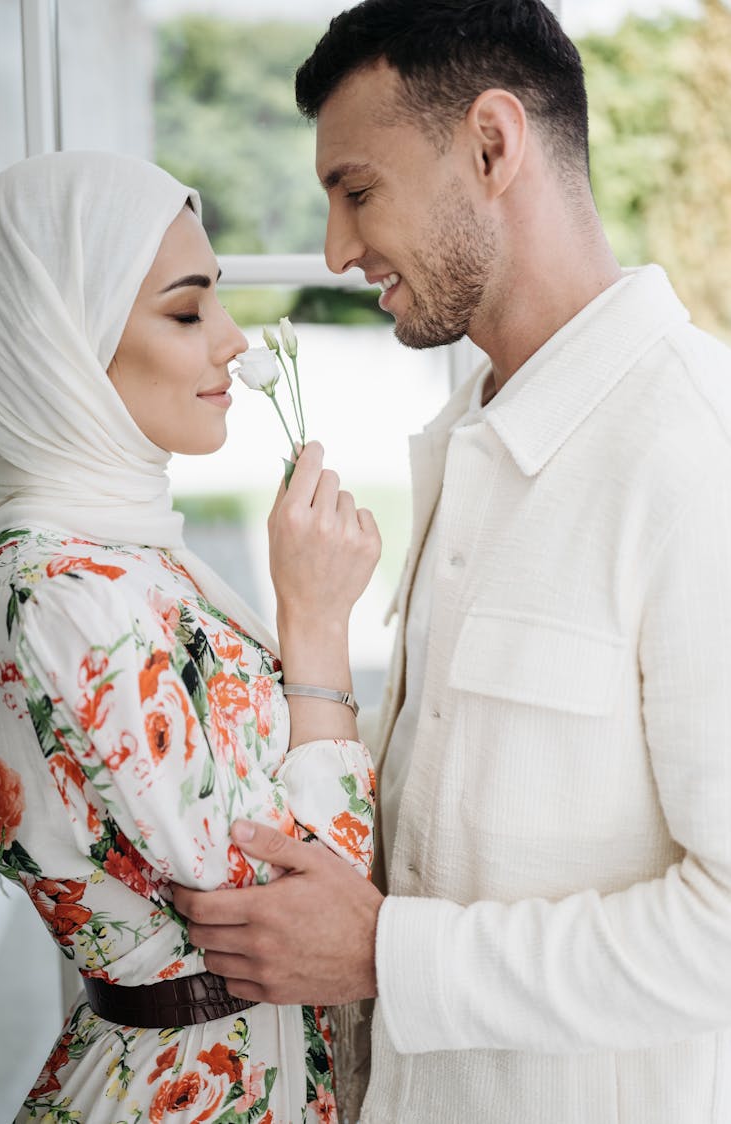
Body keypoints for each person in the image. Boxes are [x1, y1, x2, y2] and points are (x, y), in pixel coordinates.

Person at [171, 1, 731, 1123]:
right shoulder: (471, 436)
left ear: (491, 144)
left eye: (358, 190)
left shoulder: (692, 452)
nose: (335, 248)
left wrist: (390, 952)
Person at [0, 150, 382, 1123]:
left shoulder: (142, 559)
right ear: (61, 341)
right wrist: (318, 627)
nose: (233, 340)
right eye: (187, 308)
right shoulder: (57, 594)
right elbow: (288, 910)